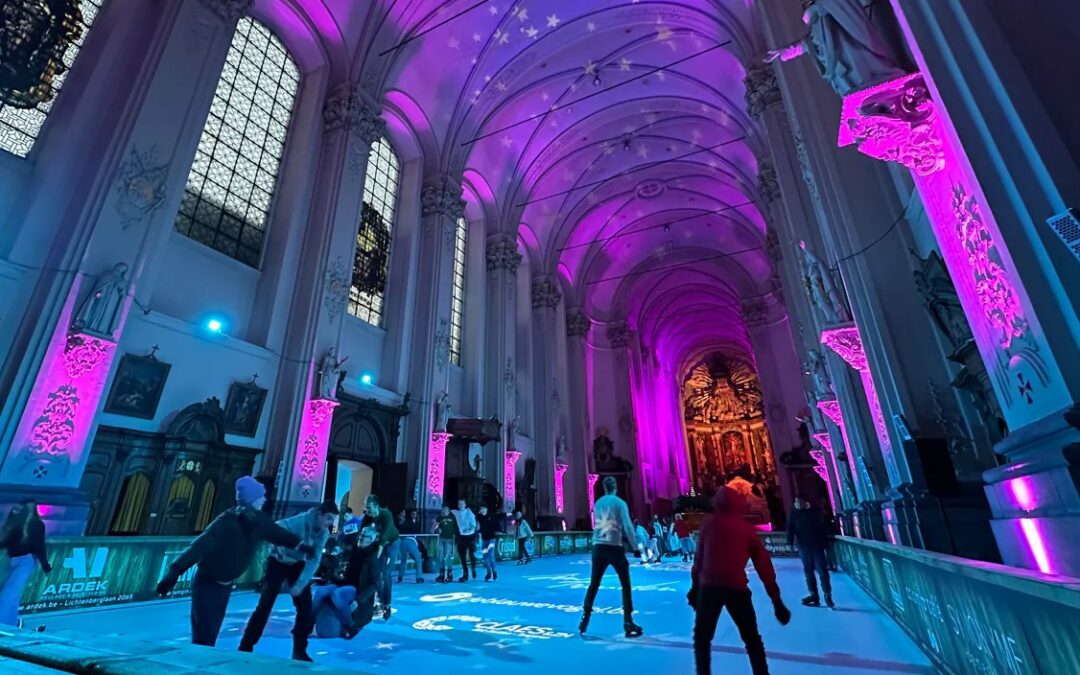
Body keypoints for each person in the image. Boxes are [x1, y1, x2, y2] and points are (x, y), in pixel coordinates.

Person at [157, 477, 309, 646]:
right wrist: (174, 571)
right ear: (252, 500)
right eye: (261, 496)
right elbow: (199, 546)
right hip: (207, 584)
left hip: (224, 585)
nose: (265, 499)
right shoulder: (225, 522)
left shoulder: (259, 521)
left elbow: (278, 533)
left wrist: (300, 545)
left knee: (211, 632)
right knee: (204, 635)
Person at [689, 487, 791, 675]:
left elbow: (699, 560)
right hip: (736, 588)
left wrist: (695, 587)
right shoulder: (744, 528)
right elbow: (763, 565)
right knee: (752, 638)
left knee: (702, 639)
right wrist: (776, 600)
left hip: (709, 588)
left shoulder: (708, 524)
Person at [239, 501, 338, 662]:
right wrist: (286, 545)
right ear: (319, 514)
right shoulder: (299, 521)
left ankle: (299, 651)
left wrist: (300, 584)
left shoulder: (324, 532)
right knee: (265, 605)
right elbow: (276, 529)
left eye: (332, 520)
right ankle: (246, 646)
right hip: (277, 562)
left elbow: (314, 559)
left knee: (305, 608)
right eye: (328, 518)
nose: (329, 524)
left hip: (297, 565)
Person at [579, 476, 644, 638]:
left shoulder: (598, 503)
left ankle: (585, 618)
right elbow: (628, 526)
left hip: (598, 547)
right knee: (625, 584)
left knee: (594, 583)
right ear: (615, 487)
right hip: (614, 547)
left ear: (604, 487)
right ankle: (628, 621)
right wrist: (636, 547)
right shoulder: (620, 504)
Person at [312, 526, 380, 640]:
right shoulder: (352, 551)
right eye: (361, 535)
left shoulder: (372, 558)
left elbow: (374, 584)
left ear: (371, 540)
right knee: (320, 592)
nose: (361, 538)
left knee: (338, 594)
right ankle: (308, 624)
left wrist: (358, 600)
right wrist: (336, 576)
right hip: (344, 583)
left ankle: (350, 626)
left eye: (365, 536)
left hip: (357, 589)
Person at [0, 500, 51, 627]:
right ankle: (10, 622)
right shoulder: (17, 523)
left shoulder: (34, 525)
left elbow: (39, 546)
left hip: (23, 561)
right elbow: (6, 541)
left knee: (9, 592)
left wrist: (45, 565)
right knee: (12, 593)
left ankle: (3, 622)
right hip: (15, 560)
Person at [787, 494, 834, 607]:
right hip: (804, 547)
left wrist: (827, 538)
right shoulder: (794, 514)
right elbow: (790, 528)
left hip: (817, 545)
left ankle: (827, 595)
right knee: (808, 571)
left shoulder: (815, 512)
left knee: (822, 571)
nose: (797, 504)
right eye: (795, 503)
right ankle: (813, 595)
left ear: (805, 502)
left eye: (799, 502)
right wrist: (789, 542)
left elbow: (824, 525)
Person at [361, 495, 399, 618]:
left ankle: (386, 603)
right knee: (374, 573)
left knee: (385, 573)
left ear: (376, 506)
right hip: (379, 544)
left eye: (369, 507)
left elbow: (385, 534)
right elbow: (361, 532)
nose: (367, 510)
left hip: (391, 543)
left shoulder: (386, 514)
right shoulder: (367, 517)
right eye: (365, 508)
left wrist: (376, 556)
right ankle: (378, 601)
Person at [452, 499, 478, 581]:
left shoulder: (470, 514)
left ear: (465, 504)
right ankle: (465, 574)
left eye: (462, 504)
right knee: (462, 556)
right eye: (459, 504)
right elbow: (447, 511)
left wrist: (468, 529)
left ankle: (473, 568)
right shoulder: (456, 512)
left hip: (470, 536)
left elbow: (474, 525)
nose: (460, 505)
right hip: (462, 537)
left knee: (471, 554)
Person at [397, 510, 425, 584]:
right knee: (418, 559)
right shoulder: (407, 521)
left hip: (403, 542)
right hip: (411, 541)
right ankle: (419, 577)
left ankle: (400, 576)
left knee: (403, 559)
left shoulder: (413, 522)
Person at [433, 505, 458, 583]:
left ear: (449, 509)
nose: (444, 510)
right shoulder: (440, 516)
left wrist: (456, 536)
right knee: (441, 556)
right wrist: (436, 527)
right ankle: (441, 574)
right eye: (443, 508)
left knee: (448, 557)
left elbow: (456, 527)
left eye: (446, 508)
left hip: (449, 539)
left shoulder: (452, 517)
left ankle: (449, 574)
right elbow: (434, 525)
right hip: (441, 539)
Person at [477, 505, 500, 582]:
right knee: (485, 556)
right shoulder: (479, 517)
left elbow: (499, 516)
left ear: (486, 509)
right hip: (484, 540)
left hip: (491, 539)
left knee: (490, 554)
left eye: (483, 508)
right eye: (481, 509)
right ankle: (488, 572)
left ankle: (494, 571)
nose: (482, 510)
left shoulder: (491, 516)